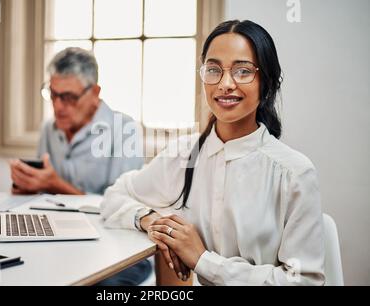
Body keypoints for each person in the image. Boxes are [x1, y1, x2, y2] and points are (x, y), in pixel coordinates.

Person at [101, 20, 325, 286]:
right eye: (214, 69)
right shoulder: (183, 155)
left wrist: (202, 260)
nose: (225, 84)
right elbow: (113, 198)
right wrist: (152, 221)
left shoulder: (294, 173)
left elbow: (305, 282)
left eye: (242, 71)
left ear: (267, 82)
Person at [10, 47, 150, 285]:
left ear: (94, 92)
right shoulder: (49, 129)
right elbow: (44, 197)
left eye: (69, 97)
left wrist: (55, 184)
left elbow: (122, 210)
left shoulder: (123, 129)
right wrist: (29, 186)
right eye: (52, 95)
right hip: (60, 239)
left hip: (115, 247)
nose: (58, 106)